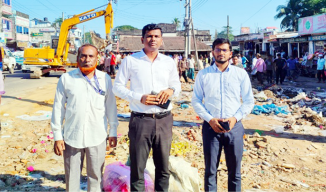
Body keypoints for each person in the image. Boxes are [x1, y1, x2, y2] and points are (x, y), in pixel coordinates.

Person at [113, 24, 181, 191]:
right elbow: (117, 87)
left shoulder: (169, 62)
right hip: (141, 120)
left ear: (161, 40)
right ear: (142, 39)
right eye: (149, 36)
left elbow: (177, 87)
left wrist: (170, 90)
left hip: (164, 119)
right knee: (137, 168)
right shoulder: (131, 60)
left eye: (156, 36)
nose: (153, 39)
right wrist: (139, 97)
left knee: (163, 167)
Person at [51, 44, 118, 192]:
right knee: (72, 178)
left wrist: (113, 130)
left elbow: (111, 106)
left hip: (97, 135)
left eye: (91, 56)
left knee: (95, 177)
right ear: (77, 58)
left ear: (97, 59)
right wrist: (57, 136)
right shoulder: (66, 78)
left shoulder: (104, 78)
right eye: (83, 56)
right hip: (72, 136)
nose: (87, 59)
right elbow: (58, 107)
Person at [192, 38, 254, 192]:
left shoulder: (240, 74)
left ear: (230, 53)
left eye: (224, 50)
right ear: (213, 52)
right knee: (211, 171)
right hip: (211, 128)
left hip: (235, 128)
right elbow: (196, 100)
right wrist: (210, 119)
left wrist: (234, 119)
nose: (221, 53)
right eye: (218, 49)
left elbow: (248, 101)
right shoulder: (203, 75)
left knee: (235, 173)